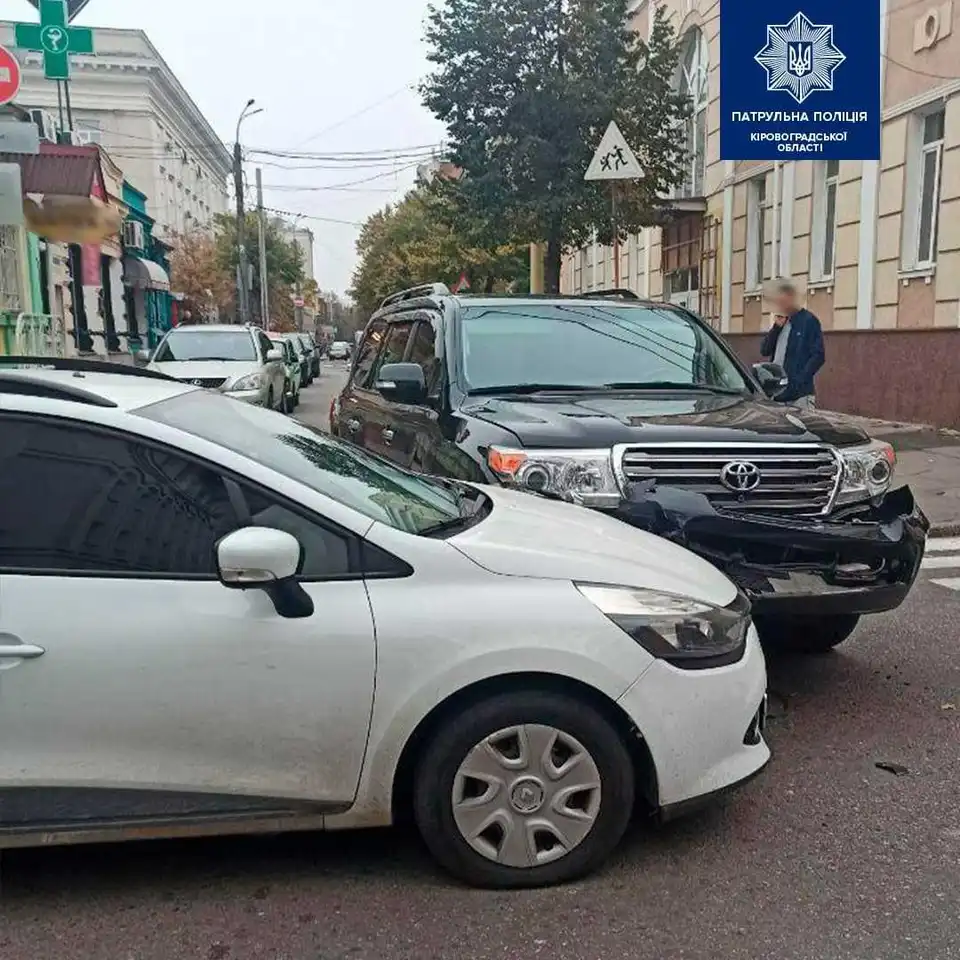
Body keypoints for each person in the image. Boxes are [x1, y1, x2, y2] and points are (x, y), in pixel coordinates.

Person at [760, 280, 825, 410]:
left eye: (783, 301)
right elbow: (764, 350)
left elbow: (819, 356)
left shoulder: (808, 321)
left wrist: (799, 380)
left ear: (792, 298)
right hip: (777, 395)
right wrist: (776, 328)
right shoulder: (780, 323)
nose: (780, 306)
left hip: (799, 397)